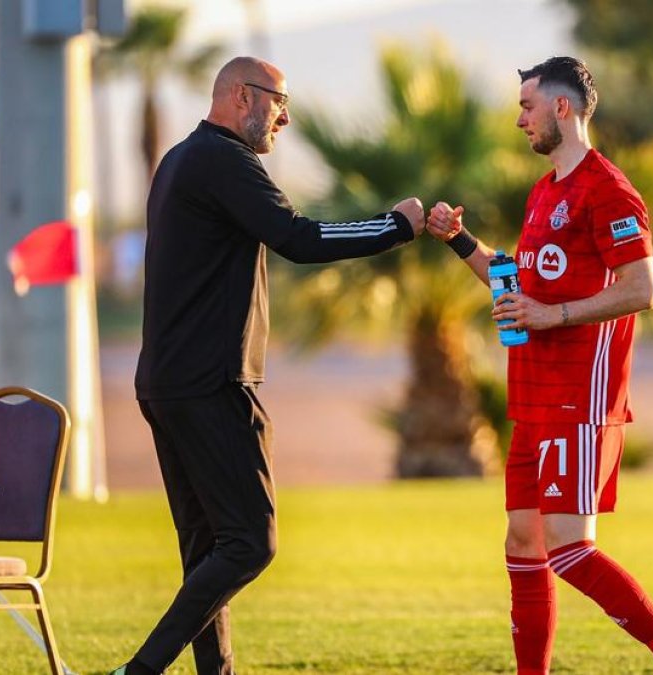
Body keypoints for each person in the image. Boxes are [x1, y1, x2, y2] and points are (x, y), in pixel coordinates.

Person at [114, 56, 426, 675]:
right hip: (211, 385)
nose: (285, 116)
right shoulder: (223, 160)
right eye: (279, 100)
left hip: (168, 383)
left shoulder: (180, 159)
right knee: (253, 543)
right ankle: (140, 669)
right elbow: (299, 238)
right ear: (239, 96)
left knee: (209, 549)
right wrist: (397, 226)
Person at [426, 57, 653, 675]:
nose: (518, 120)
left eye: (527, 106)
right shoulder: (545, 191)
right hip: (531, 398)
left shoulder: (608, 190)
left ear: (563, 108)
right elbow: (520, 287)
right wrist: (460, 241)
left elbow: (644, 289)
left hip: (578, 399)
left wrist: (554, 318)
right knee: (522, 544)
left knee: (569, 549)